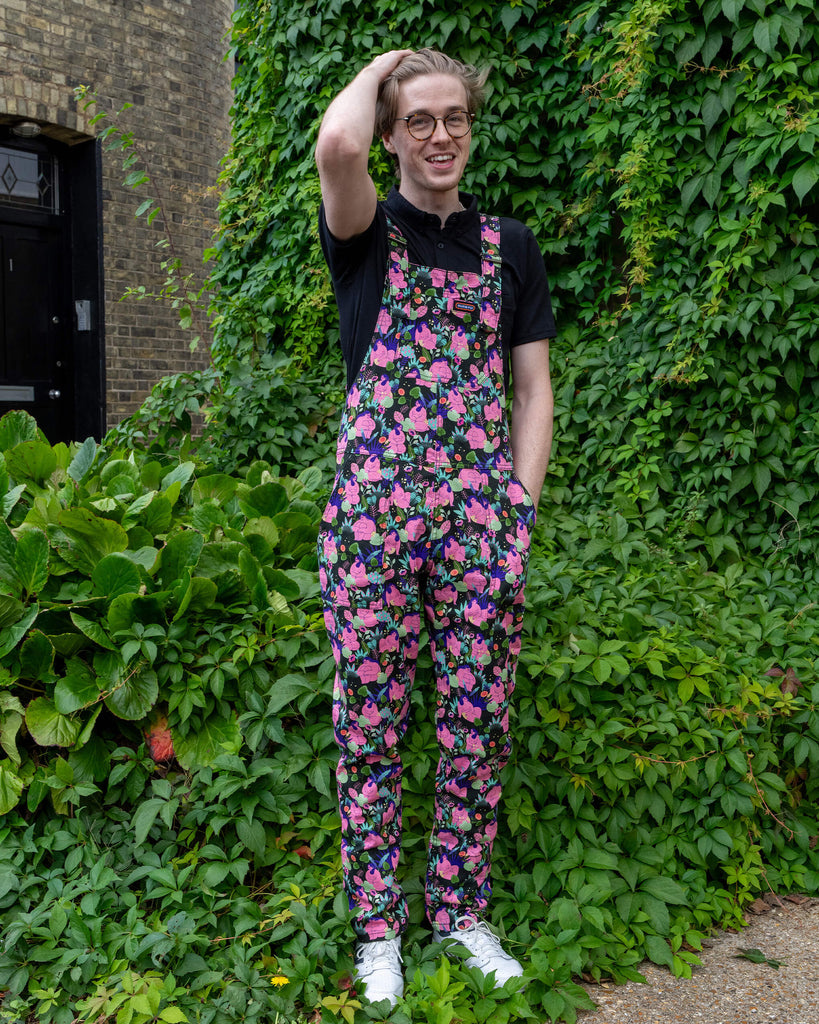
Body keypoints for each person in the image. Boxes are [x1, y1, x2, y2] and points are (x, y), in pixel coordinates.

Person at [314, 47, 555, 1007]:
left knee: (475, 726)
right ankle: (379, 932)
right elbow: (334, 141)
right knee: (369, 729)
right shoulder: (367, 230)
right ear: (391, 131)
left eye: (454, 116)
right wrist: (391, 66)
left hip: (481, 522)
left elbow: (531, 388)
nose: (440, 134)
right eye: (418, 118)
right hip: (374, 517)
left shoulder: (511, 247)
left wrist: (518, 508)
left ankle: (456, 911)